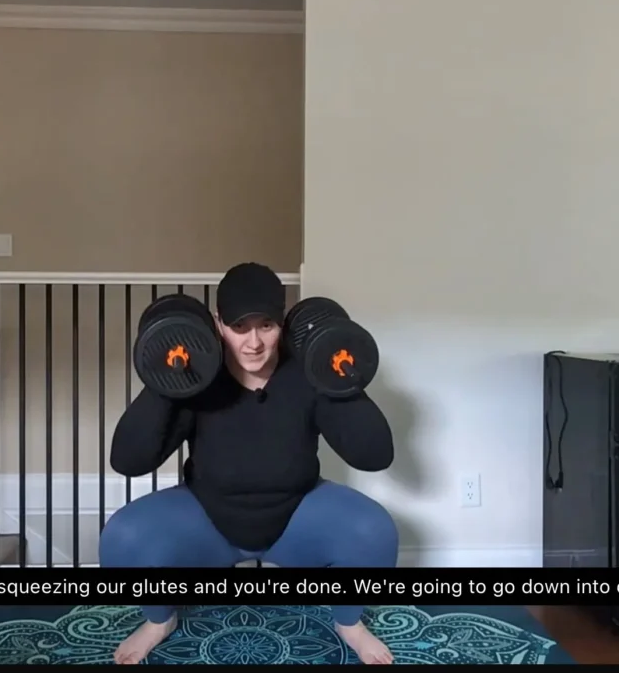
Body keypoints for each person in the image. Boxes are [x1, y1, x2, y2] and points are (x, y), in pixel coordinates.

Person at [99, 262, 399, 665]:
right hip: (208, 519)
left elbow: (375, 456)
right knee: (122, 538)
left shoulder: (307, 374)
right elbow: (128, 461)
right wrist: (166, 382)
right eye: (239, 327)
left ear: (283, 323)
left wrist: (340, 378)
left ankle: (349, 623)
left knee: (375, 530)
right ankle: (159, 620)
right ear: (218, 323)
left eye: (266, 326)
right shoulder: (197, 377)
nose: (254, 343)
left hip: (296, 517)